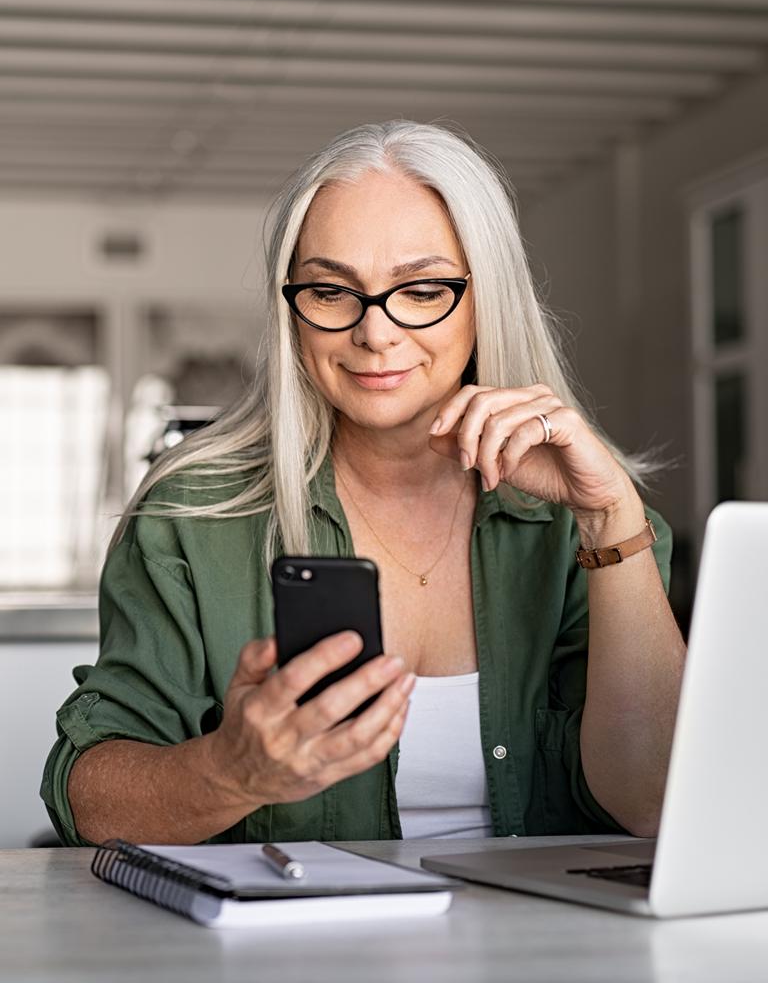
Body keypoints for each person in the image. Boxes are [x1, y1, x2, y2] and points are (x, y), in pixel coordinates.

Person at [41, 120, 686, 847]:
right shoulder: (192, 514)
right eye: (330, 291)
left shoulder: (591, 523)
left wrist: (610, 521)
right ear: (293, 311)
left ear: (486, 297)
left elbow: (656, 802)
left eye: (421, 290)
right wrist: (231, 772)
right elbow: (87, 799)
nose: (374, 333)